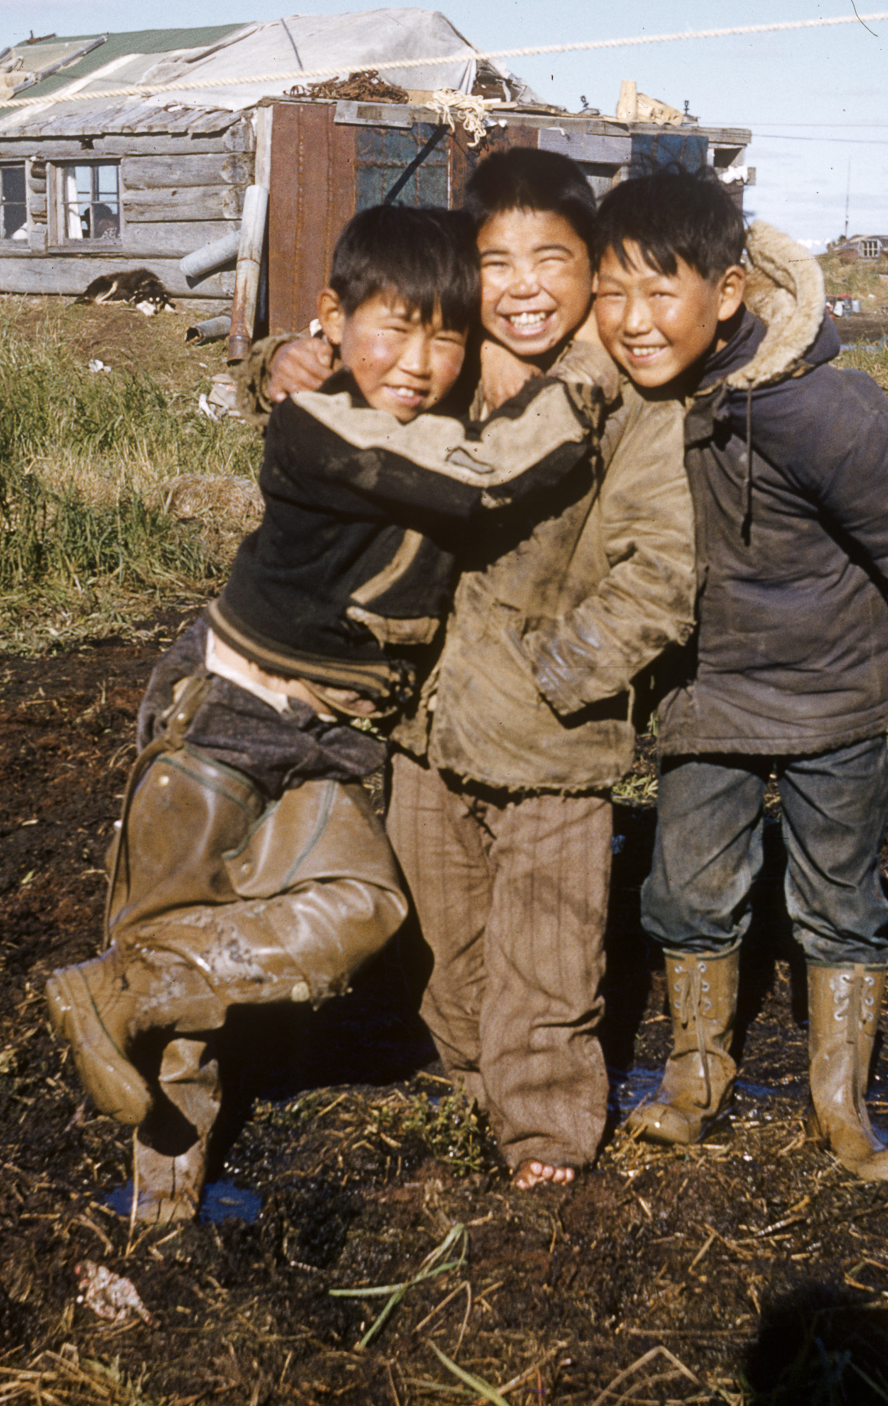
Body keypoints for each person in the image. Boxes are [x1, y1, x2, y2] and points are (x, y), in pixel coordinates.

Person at [45, 204, 594, 1223]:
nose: (423, 360)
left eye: (447, 334)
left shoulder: (417, 412)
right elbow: (484, 486)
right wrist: (590, 380)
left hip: (337, 730)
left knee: (362, 908)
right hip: (230, 705)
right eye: (398, 327)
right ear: (333, 319)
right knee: (180, 933)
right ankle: (159, 1212)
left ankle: (126, 985)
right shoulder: (324, 423)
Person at [252, 150, 696, 1189]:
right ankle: (467, 1081)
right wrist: (287, 355)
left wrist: (559, 677)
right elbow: (338, 381)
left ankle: (544, 1136)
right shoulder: (441, 370)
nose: (526, 287)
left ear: (595, 269)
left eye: (556, 259)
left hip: (552, 737)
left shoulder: (630, 405)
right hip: (425, 726)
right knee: (445, 947)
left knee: (548, 957)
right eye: (497, 262)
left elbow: (662, 572)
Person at [596, 171, 888, 1183]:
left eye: (656, 292)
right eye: (610, 294)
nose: (630, 322)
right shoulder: (629, 401)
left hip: (831, 699)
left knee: (839, 899)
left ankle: (840, 1104)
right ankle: (694, 1077)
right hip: (701, 698)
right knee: (688, 890)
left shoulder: (822, 408)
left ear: (727, 291)